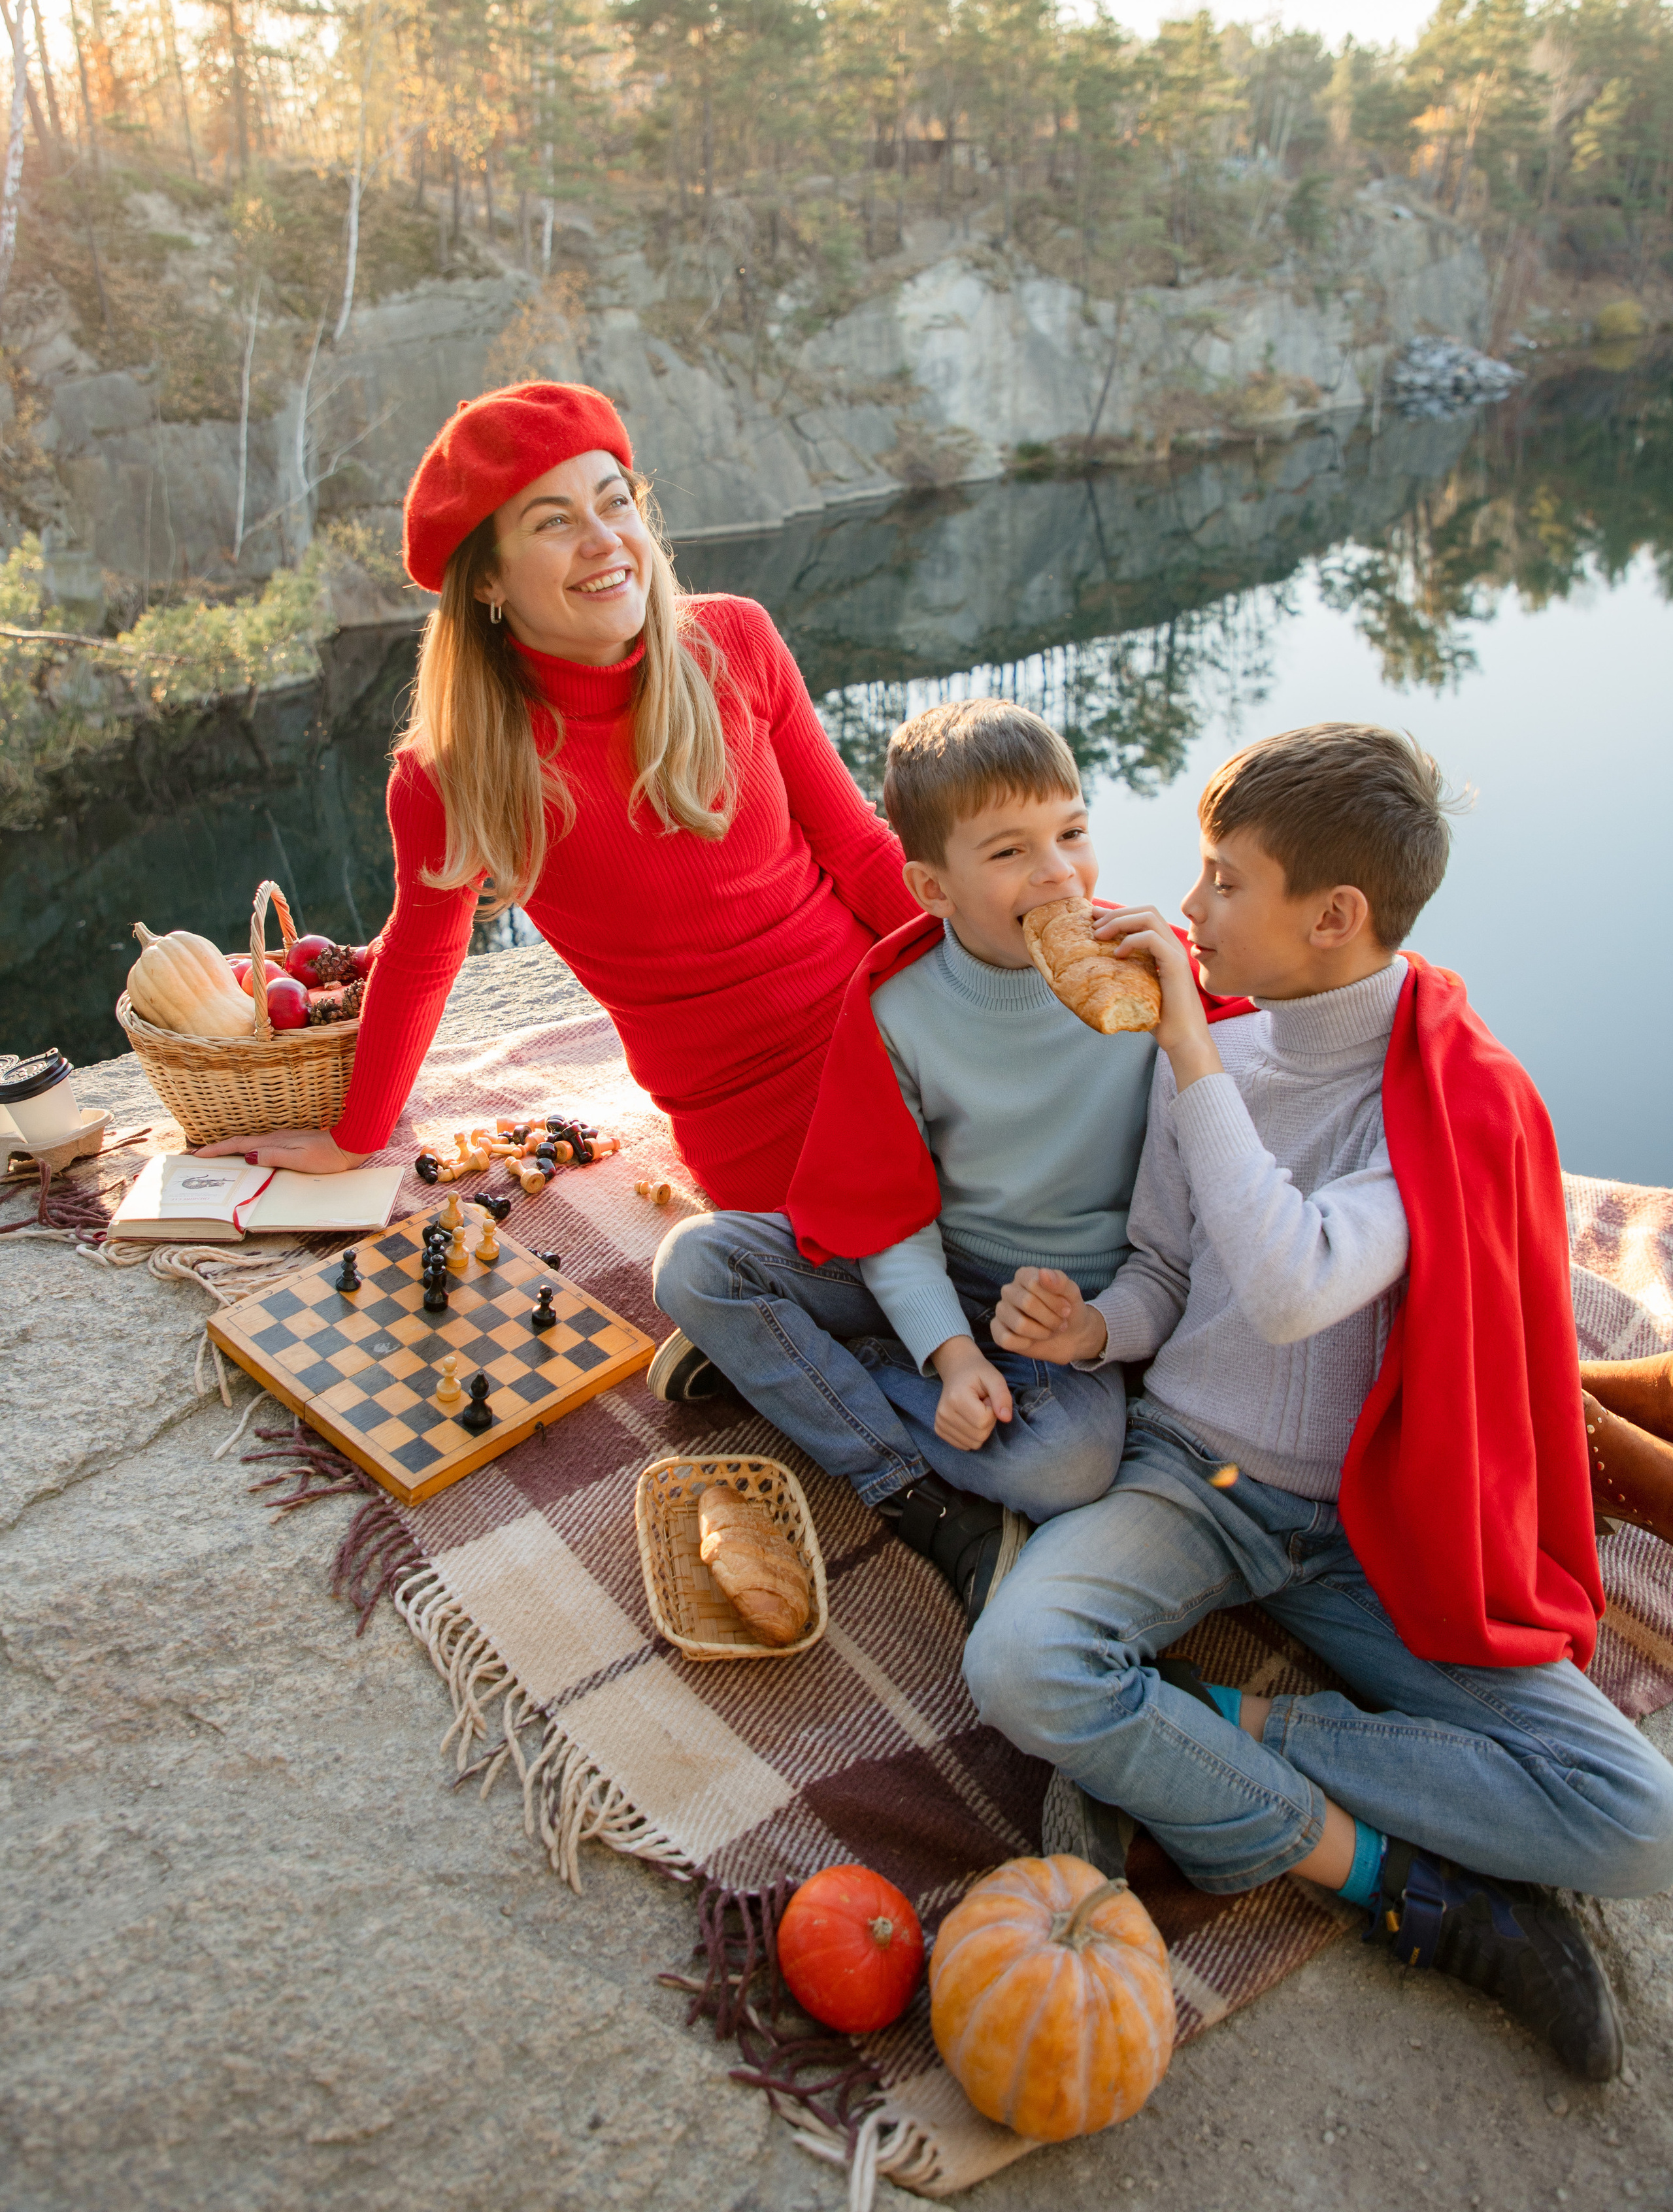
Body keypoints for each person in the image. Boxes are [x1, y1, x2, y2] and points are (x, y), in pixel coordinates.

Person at [963, 721, 1673, 2083]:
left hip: (1375, 1522)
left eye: (1224, 880)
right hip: (1190, 1484)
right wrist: (1097, 1320)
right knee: (1018, 1665)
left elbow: (1294, 1285)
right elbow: (1175, 1268)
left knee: (1637, 1821)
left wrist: (1187, 1041)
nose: (1187, 910)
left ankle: (1215, 1728)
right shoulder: (1217, 1064)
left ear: (1333, 917)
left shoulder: (1439, 1100)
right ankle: (1398, 1886)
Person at [200, 381, 919, 1213]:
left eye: (616, 503)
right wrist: (354, 1138)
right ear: (487, 582)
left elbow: (859, 849)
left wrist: (1031, 949)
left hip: (900, 1009)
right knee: (889, 1252)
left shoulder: (735, 639)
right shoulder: (452, 772)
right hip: (746, 1109)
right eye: (553, 521)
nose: (604, 541)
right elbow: (425, 954)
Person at [651, 699, 1244, 1619]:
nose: (1058, 875)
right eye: (1009, 853)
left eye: (1073, 833)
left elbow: (1242, 1115)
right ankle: (899, 1465)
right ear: (932, 888)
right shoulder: (902, 1006)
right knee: (697, 1263)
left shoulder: (1151, 977)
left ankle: (796, 1366)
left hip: (1069, 1311)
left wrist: (1191, 1015)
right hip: (934, 1258)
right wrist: (953, 1354)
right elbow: (885, 1208)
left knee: (1067, 1468)